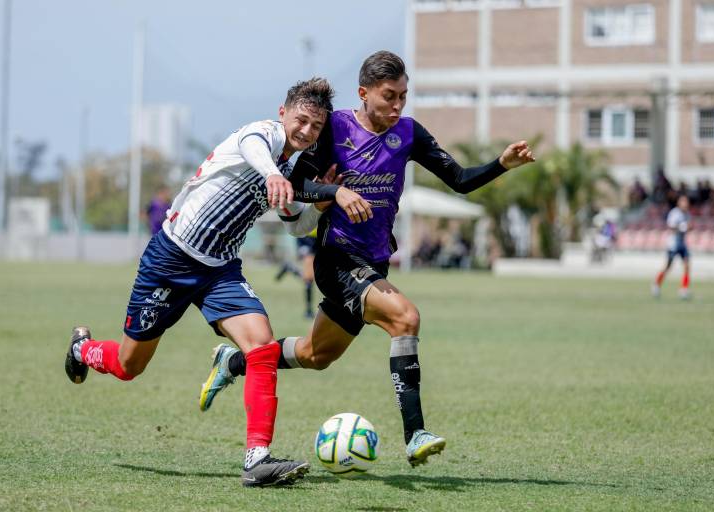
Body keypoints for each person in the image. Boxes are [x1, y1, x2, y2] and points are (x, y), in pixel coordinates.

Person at [199, 51, 535, 468]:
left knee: (316, 355)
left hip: (374, 264)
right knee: (405, 318)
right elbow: (295, 183)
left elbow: (460, 180)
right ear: (364, 93)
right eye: (389, 96)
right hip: (337, 259)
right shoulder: (334, 127)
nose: (397, 105)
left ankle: (233, 361)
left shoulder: (409, 133)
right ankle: (415, 434)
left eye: (403, 96)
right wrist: (335, 192)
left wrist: (502, 164)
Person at [63, 78, 371, 487]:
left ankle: (257, 460)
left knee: (262, 345)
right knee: (129, 365)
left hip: (220, 269)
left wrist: (321, 204)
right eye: (301, 120)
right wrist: (273, 175)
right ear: (283, 113)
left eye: (316, 126)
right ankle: (82, 349)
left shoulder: (290, 169)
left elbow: (297, 225)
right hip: (170, 260)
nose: (307, 131)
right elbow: (253, 148)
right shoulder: (262, 134)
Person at [652, 195, 692, 300]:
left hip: (682, 244)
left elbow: (690, 226)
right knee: (668, 267)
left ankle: (684, 289)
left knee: (687, 266)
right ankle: (656, 284)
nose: (685, 204)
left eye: (686, 202)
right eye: (683, 202)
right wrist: (681, 227)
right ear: (679, 203)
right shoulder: (675, 213)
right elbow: (671, 227)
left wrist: (689, 228)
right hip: (673, 244)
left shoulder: (687, 214)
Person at [275, 230, 318, 318]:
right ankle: (308, 310)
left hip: (320, 239)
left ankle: (290, 267)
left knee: (312, 277)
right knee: (309, 279)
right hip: (307, 239)